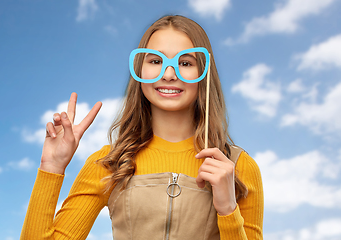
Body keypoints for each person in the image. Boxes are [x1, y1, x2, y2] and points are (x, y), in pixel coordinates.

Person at [20, 15, 263, 240]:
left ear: (204, 73)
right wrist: (51, 168)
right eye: (156, 61)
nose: (169, 74)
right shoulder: (109, 163)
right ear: (140, 71)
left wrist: (228, 210)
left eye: (185, 62)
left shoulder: (238, 167)